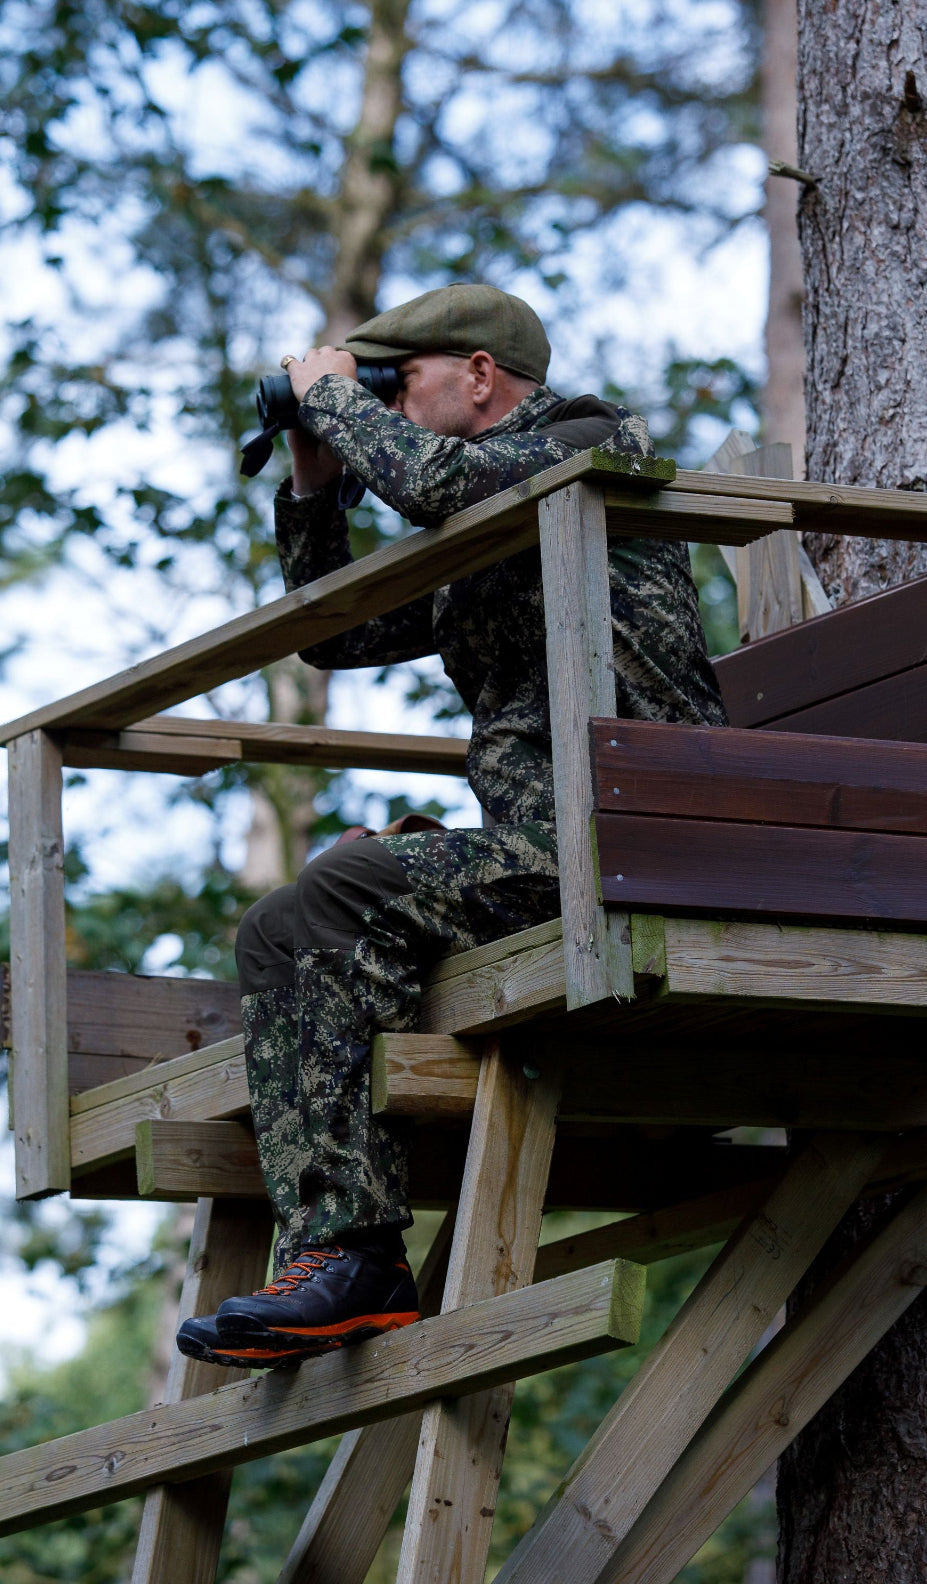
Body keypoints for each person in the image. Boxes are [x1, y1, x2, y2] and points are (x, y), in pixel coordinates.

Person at [177, 283, 727, 1369]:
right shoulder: (481, 525)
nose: (382, 397)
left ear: (479, 374)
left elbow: (430, 482)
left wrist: (333, 398)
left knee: (345, 894)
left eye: (399, 377)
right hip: (556, 848)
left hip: (640, 835)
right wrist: (314, 477)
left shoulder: (579, 440)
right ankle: (342, 1262)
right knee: (281, 927)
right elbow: (335, 635)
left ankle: (347, 1253)